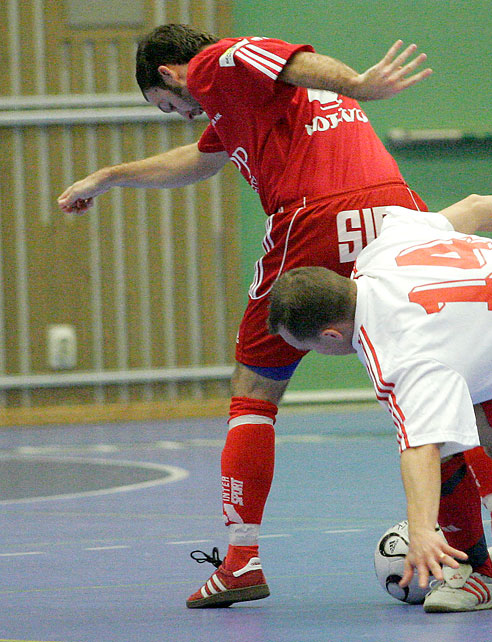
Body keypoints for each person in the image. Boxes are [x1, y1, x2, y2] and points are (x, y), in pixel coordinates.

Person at [57, 23, 438, 609]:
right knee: (440, 377)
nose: (180, 114)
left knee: (253, 392)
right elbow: (201, 159)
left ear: (170, 74)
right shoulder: (249, 103)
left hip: (315, 216)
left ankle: (240, 561)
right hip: (399, 212)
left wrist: (360, 83)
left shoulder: (214, 65)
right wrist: (110, 177)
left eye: (167, 104)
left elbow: (288, 59)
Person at [268, 190, 492, 613]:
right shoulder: (386, 245)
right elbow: (476, 207)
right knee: (476, 421)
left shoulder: (398, 351)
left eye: (305, 347)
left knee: (462, 436)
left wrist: (423, 531)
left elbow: (423, 448)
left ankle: (475, 574)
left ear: (331, 335)